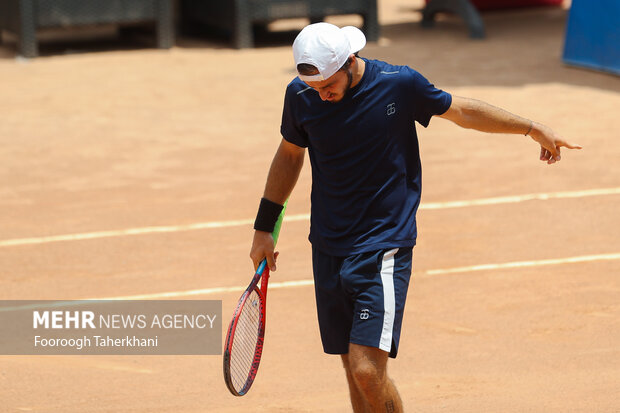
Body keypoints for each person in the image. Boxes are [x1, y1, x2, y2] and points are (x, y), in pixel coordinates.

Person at [249, 22, 581, 412]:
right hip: (327, 242)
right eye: (315, 88)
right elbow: (290, 155)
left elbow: (462, 112)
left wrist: (531, 127)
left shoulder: (398, 84)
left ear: (350, 61)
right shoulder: (301, 95)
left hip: (384, 242)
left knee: (367, 370)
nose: (322, 96)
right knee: (351, 365)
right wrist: (264, 228)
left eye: (329, 86)